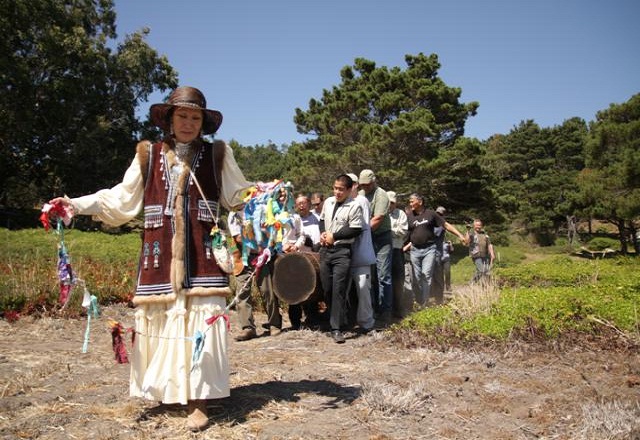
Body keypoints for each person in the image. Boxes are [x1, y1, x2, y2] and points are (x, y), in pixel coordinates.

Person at [49, 86, 251, 431]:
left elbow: (238, 194)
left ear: (203, 122)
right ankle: (172, 390)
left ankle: (199, 400)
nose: (188, 123)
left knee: (203, 320)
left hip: (203, 254)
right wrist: (76, 205)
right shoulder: (148, 153)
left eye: (195, 117)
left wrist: (265, 195)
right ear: (169, 119)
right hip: (158, 254)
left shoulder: (218, 153)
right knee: (163, 322)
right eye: (182, 115)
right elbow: (120, 199)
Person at [319, 174, 363, 343]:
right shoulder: (329, 202)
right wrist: (324, 233)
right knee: (327, 288)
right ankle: (336, 318)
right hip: (325, 250)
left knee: (339, 289)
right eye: (335, 188)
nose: (337, 192)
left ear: (349, 189)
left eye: (341, 189)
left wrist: (334, 236)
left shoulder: (355, 206)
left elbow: (355, 229)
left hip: (342, 251)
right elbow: (322, 219)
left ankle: (336, 328)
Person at [403, 194, 466, 308]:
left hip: (429, 249)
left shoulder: (431, 214)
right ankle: (420, 299)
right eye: (410, 202)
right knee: (416, 278)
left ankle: (424, 302)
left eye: (412, 201)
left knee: (426, 275)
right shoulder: (409, 216)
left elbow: (445, 225)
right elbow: (405, 233)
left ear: (420, 202)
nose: (410, 204)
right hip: (415, 250)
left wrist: (460, 235)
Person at [358, 169, 393, 322]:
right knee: (369, 275)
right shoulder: (360, 195)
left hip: (381, 237)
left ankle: (385, 310)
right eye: (362, 184)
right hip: (367, 237)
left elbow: (377, 218)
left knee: (383, 275)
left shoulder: (381, 195)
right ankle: (372, 308)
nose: (364, 187)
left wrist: (361, 231)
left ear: (373, 182)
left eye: (367, 184)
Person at [345, 173, 376, 332]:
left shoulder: (362, 201)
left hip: (362, 253)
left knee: (363, 289)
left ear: (356, 185)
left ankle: (366, 323)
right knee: (345, 292)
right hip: (345, 255)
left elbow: (360, 227)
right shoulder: (340, 202)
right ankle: (348, 321)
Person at [288, 194, 324, 330]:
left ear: (308, 204)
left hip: (314, 257)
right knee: (295, 290)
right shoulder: (293, 219)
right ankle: (295, 321)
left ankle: (312, 318)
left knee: (314, 288)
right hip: (297, 260)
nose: (301, 205)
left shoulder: (316, 218)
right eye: (299, 203)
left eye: (304, 202)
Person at [387, 191, 409, 318]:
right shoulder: (381, 214)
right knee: (385, 280)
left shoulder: (401, 214)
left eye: (393, 203)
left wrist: (388, 231)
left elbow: (403, 231)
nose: (390, 205)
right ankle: (387, 309)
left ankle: (399, 308)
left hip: (396, 249)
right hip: (383, 250)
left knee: (398, 280)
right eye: (388, 203)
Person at [466, 218, 496, 283]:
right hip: (476, 255)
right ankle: (472, 282)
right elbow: (466, 241)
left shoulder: (485, 235)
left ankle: (480, 285)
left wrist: (492, 254)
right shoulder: (471, 234)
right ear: (474, 226)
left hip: (485, 255)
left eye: (479, 225)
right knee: (482, 270)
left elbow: (489, 245)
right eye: (477, 225)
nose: (478, 227)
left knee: (487, 271)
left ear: (481, 226)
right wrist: (468, 231)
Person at [435, 206, 454, 294]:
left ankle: (448, 286)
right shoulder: (432, 224)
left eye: (441, 214)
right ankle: (440, 289)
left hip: (445, 254)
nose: (439, 215)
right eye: (437, 214)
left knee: (447, 272)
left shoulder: (444, 226)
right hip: (436, 252)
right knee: (438, 273)